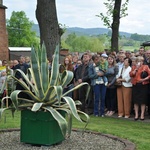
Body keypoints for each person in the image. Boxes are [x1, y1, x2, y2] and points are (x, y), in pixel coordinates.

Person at [130, 56, 150, 120]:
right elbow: (131, 74)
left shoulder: (146, 67)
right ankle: (136, 114)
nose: (140, 62)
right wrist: (135, 70)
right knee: (135, 101)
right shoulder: (133, 67)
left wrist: (144, 79)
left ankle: (142, 115)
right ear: (136, 62)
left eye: (141, 61)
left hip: (143, 85)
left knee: (142, 101)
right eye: (138, 61)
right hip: (135, 85)